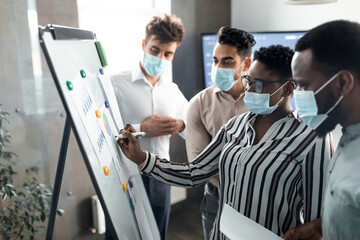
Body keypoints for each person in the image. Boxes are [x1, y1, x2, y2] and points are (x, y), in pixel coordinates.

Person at [118, 45, 332, 239]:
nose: (248, 90)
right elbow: (194, 172)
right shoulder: (234, 125)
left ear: (287, 88)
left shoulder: (311, 139)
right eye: (247, 80)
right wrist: (143, 158)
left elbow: (318, 220)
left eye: (258, 84)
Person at [109, 14, 188, 240]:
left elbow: (190, 127)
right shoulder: (115, 83)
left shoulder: (172, 90)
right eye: (155, 50)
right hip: (125, 175)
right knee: (121, 235)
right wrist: (141, 128)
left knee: (156, 234)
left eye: (167, 54)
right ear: (144, 45)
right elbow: (102, 132)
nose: (160, 58)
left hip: (162, 175)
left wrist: (181, 124)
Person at [283, 20, 360, 240]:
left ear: (343, 82)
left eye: (303, 85)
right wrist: (317, 229)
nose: (298, 97)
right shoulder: (348, 137)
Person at [185, 26, 254, 239]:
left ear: (246, 65)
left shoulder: (266, 100)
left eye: (227, 61)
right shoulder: (197, 104)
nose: (218, 67)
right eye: (215, 60)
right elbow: (200, 164)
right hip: (217, 197)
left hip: (258, 197)